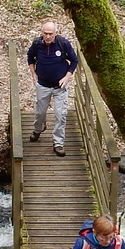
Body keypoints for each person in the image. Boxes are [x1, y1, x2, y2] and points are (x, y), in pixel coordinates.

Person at [26, 19, 79, 157]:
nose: (48, 36)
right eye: (45, 33)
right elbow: (30, 58)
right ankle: (38, 129)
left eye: (50, 33)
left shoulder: (63, 44)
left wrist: (67, 77)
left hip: (60, 86)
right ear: (41, 33)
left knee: (60, 115)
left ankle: (58, 143)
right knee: (40, 113)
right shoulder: (37, 44)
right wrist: (33, 74)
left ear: (56, 33)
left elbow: (74, 60)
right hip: (43, 84)